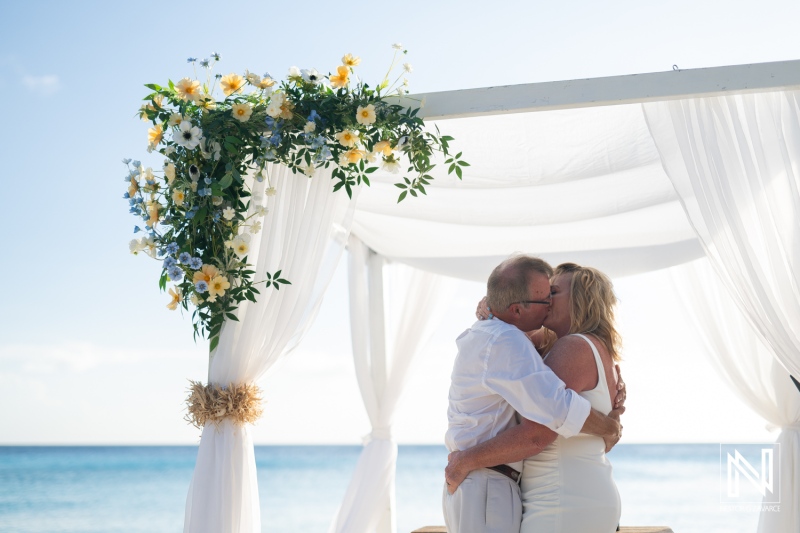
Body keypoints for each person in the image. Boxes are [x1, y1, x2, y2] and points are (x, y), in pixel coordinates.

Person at [442, 256, 625, 533]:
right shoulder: (580, 347)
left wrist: (466, 460)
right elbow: (512, 331)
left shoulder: (572, 347)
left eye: (553, 292)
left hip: (561, 497)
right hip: (573, 492)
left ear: (579, 300)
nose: (546, 300)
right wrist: (491, 308)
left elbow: (539, 431)